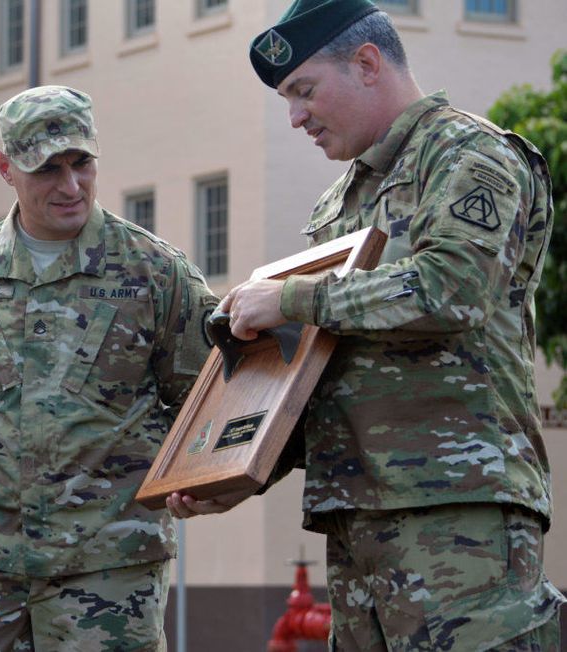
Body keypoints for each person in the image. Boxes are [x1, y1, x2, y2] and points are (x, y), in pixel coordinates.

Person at [167, 1, 565, 650]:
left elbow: (453, 290)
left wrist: (294, 299)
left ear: (367, 63)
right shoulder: (339, 202)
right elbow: (328, 372)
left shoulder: (470, 155)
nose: (295, 116)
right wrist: (239, 472)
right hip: (354, 517)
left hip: (457, 511)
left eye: (304, 90)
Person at [0, 85, 219, 651]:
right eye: (47, 169)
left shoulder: (154, 272)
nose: (70, 185)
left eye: (81, 163)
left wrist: (191, 481)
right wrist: (16, 471)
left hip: (110, 554)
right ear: (6, 167)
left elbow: (205, 390)